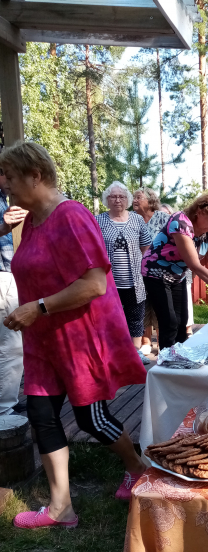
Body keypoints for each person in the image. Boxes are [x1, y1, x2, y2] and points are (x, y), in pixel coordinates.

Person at [0, 142, 148, 529]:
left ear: (35, 175)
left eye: (10, 177)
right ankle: (60, 506)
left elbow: (95, 285)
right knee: (41, 415)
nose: (5, 186)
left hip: (78, 337)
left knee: (90, 419)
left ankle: (138, 469)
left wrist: (39, 307)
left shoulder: (72, 216)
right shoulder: (30, 222)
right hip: (42, 341)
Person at [141, 193, 208, 349]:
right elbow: (194, 265)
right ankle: (167, 363)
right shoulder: (180, 223)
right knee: (170, 321)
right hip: (155, 273)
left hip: (177, 276)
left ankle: (180, 357)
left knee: (182, 320)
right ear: (199, 212)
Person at [96, 182, 151, 363]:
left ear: (127, 199)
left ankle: (135, 352)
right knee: (110, 318)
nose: (117, 200)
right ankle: (112, 353)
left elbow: (145, 246)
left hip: (134, 281)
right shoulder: (99, 221)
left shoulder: (136, 220)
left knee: (135, 317)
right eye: (113, 196)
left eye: (121, 196)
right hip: (109, 282)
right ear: (107, 200)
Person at [0, 172, 27, 415]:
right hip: (1, 277)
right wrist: (4, 227)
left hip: (6, 274)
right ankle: (4, 411)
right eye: (4, 173)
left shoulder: (3, 198)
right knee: (11, 344)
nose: (9, 180)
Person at [132, 187, 171, 354]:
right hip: (137, 272)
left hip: (160, 272)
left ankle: (164, 345)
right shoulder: (131, 219)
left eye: (138, 197)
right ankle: (146, 343)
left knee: (161, 308)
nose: (134, 200)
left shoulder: (164, 218)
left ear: (150, 200)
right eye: (134, 197)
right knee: (142, 306)